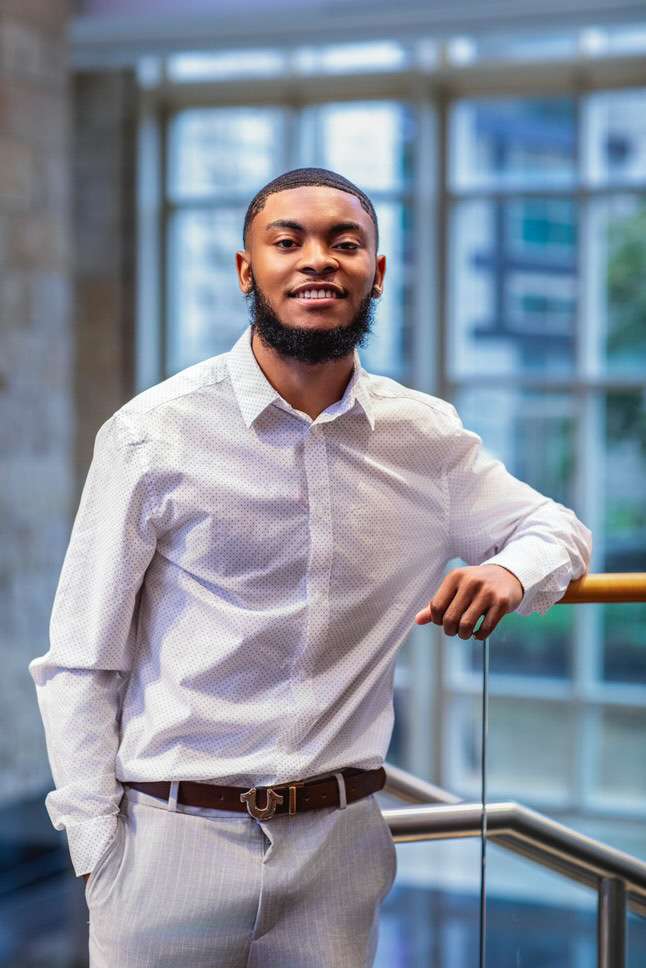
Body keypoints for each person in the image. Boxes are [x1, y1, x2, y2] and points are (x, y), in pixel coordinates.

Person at [28, 167, 592, 967]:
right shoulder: (152, 433)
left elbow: (555, 528)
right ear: (246, 269)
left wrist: (512, 571)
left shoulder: (423, 437)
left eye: (345, 242)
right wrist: (97, 847)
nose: (317, 259)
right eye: (287, 241)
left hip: (339, 851)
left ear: (378, 272)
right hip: (169, 843)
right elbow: (82, 661)